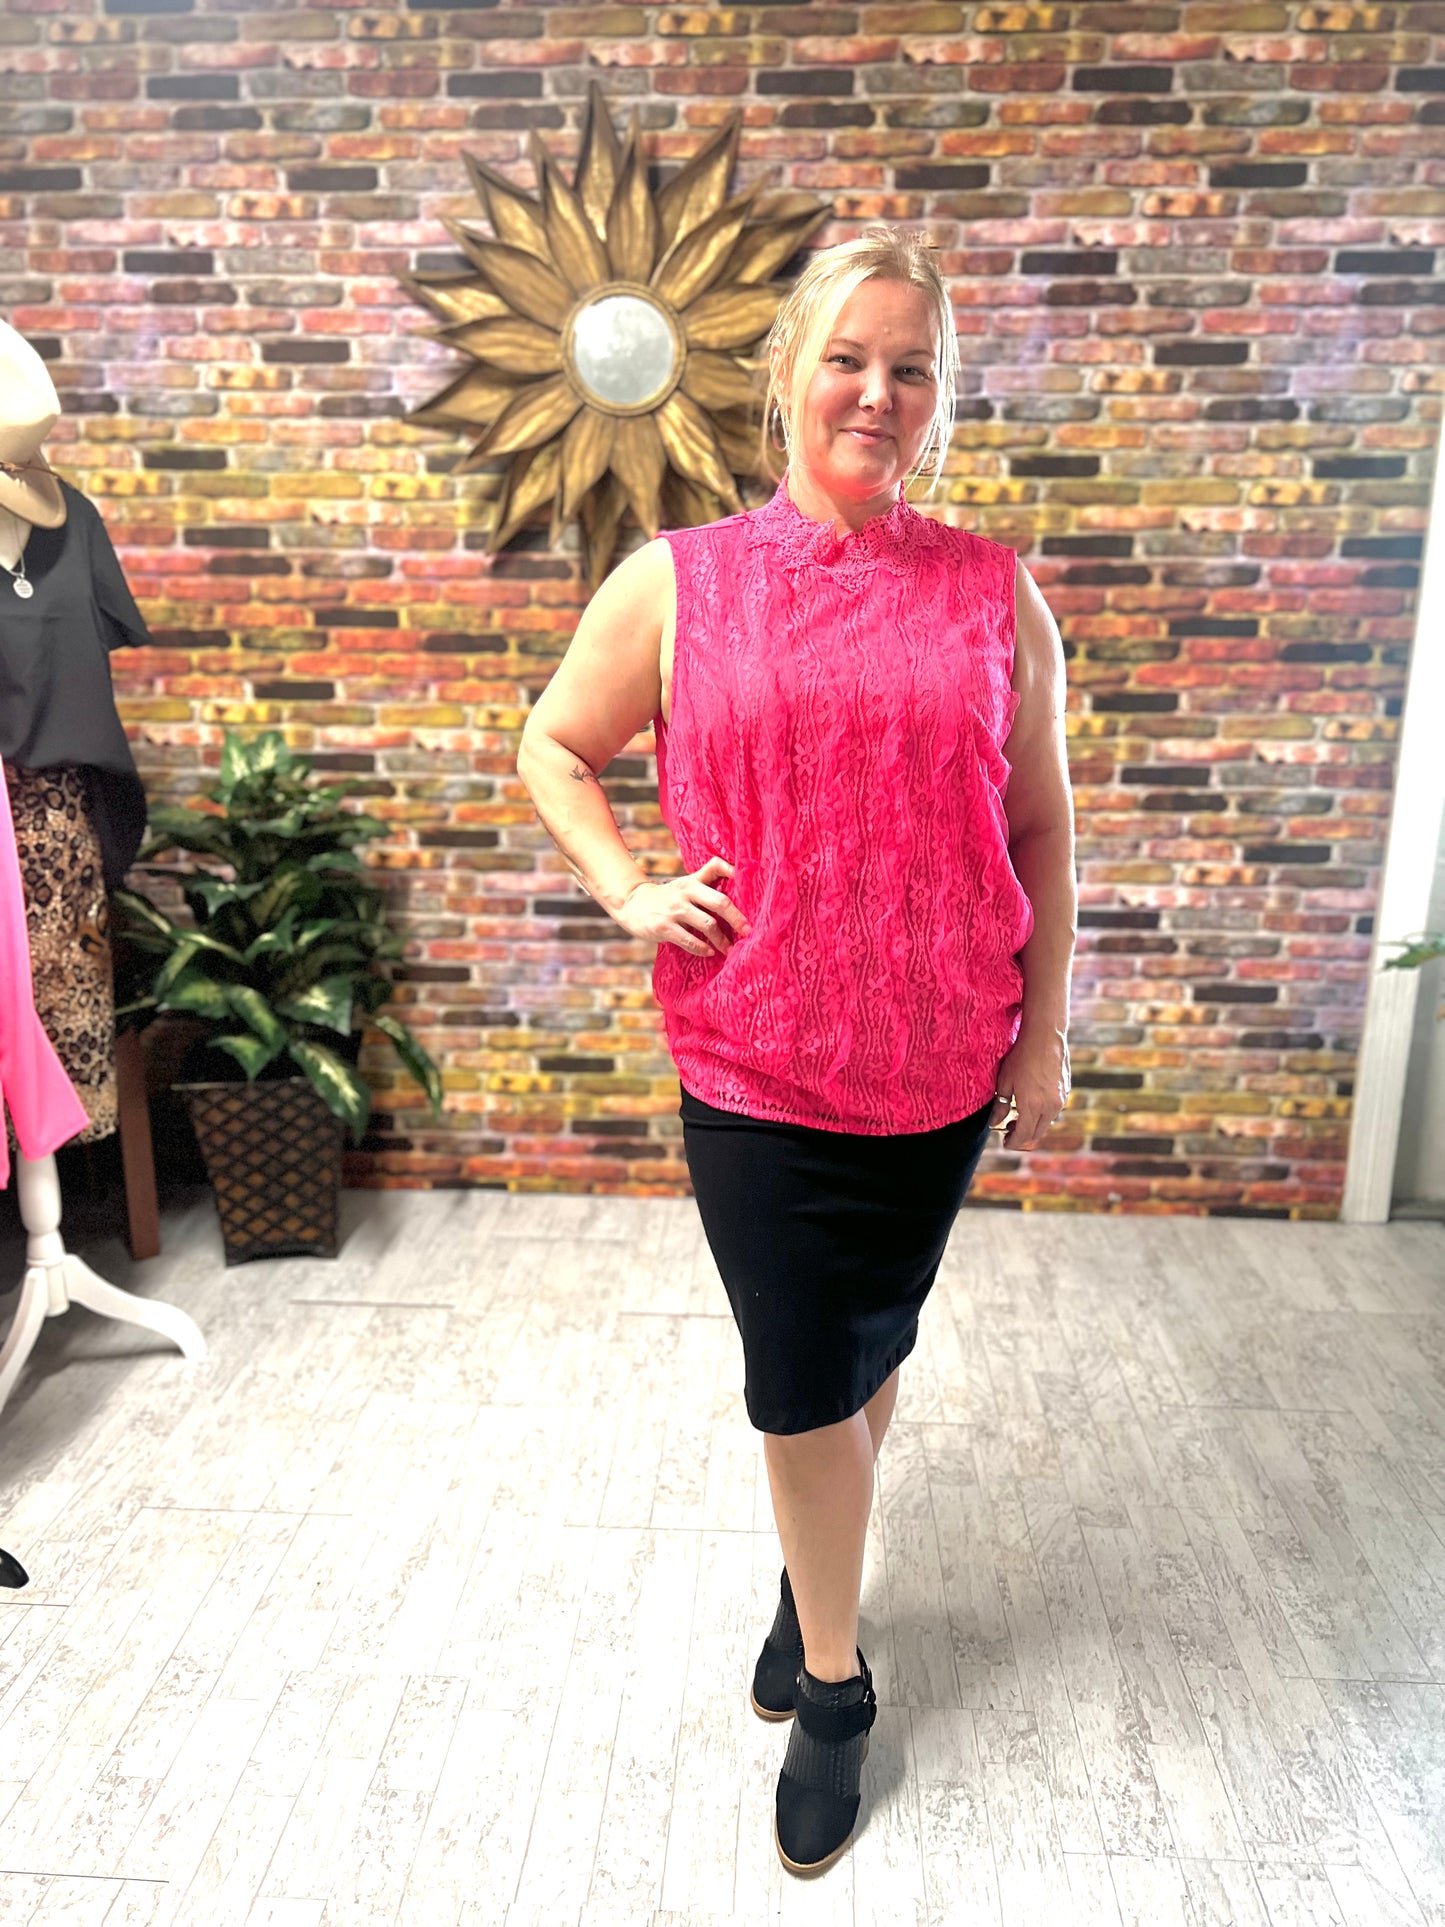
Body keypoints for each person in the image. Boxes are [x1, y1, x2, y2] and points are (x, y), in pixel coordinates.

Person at [517, 224, 1076, 1877]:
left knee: (863, 1342)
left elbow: (1040, 829)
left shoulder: (993, 592)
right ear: (785, 378)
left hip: (940, 1061)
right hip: (753, 1058)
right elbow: (554, 744)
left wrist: (1042, 1033)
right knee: (797, 1378)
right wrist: (628, 887)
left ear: (939, 397)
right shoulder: (680, 581)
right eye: (847, 359)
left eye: (911, 369)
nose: (876, 393)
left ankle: (800, 1584)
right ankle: (834, 1687)